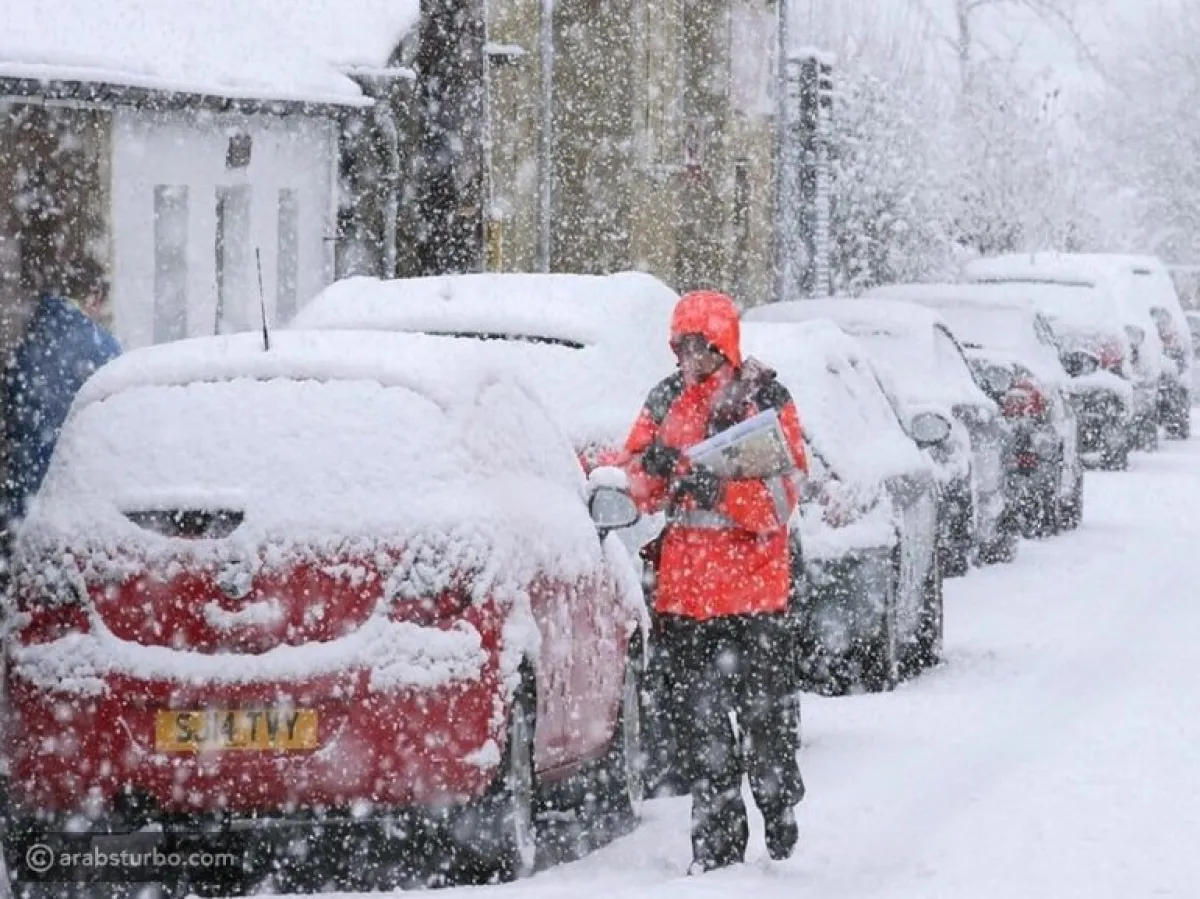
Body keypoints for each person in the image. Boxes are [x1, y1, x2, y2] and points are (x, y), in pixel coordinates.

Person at [621, 289, 808, 874]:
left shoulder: (763, 399)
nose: (688, 360)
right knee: (703, 738)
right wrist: (646, 470)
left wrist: (721, 492)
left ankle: (777, 804)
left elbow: (783, 497)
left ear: (722, 346)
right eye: (682, 349)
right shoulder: (664, 399)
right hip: (686, 598)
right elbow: (631, 480)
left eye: (700, 349)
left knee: (767, 724)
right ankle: (717, 855)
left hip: (754, 596)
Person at [0, 253, 121, 550]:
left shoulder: (28, 337)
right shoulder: (102, 349)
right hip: (74, 500)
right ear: (94, 294)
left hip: (20, 495)